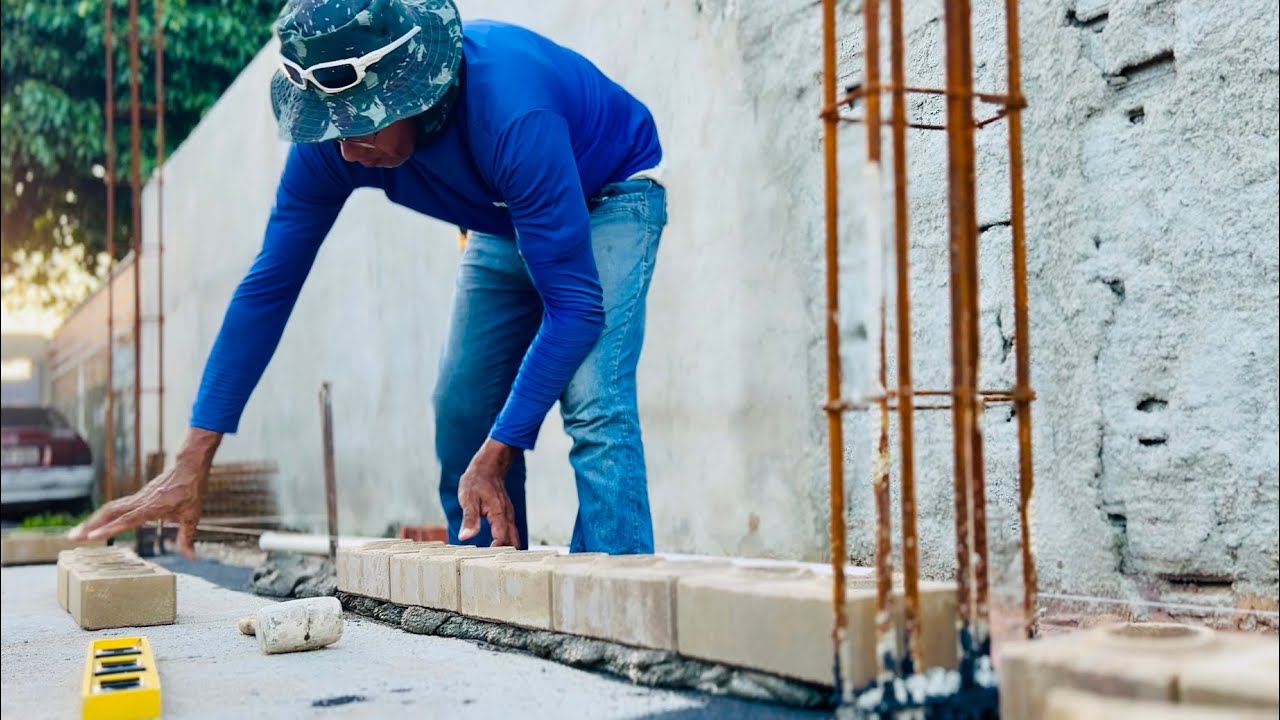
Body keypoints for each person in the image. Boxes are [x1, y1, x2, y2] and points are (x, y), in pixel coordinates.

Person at [70, 0, 666, 558]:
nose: (348, 153)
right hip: (503, 220)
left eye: (361, 127)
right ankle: (497, 598)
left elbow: (575, 310)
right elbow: (268, 287)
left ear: (413, 88)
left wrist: (502, 449)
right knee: (461, 410)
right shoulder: (334, 144)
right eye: (334, 130)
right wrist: (191, 460)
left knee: (593, 400)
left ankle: (622, 615)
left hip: (608, 197)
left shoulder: (513, 112)